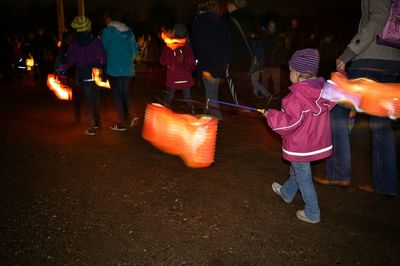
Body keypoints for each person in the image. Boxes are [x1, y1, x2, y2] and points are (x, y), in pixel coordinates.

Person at [313, 0, 400, 197]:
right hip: (394, 60)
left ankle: (338, 173)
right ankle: (385, 185)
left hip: (370, 60)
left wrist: (349, 53)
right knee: (382, 122)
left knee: (337, 110)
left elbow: (378, 18)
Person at [264, 48, 335, 223]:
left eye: (290, 70)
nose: (289, 74)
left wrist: (271, 115)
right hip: (315, 142)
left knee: (304, 177)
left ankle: (312, 212)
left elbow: (290, 123)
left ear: (297, 74)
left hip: (300, 145)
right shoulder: (324, 91)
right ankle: (287, 192)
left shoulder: (294, 99)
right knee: (298, 170)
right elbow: (332, 102)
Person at [62, 16, 106, 136]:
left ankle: (91, 127)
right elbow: (103, 58)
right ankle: (97, 122)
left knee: (87, 101)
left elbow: (69, 61)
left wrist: (62, 68)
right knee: (96, 98)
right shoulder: (96, 42)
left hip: (84, 76)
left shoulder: (74, 45)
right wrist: (100, 67)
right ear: (89, 28)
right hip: (96, 74)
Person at [191, 0, 231, 120]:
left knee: (211, 95)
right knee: (211, 93)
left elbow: (195, 44)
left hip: (206, 65)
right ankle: (207, 119)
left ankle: (216, 120)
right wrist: (225, 65)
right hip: (219, 65)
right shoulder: (223, 22)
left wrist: (197, 63)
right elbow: (228, 45)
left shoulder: (199, 21)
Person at [101, 11, 139, 131]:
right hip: (128, 68)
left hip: (114, 68)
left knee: (117, 94)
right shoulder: (130, 32)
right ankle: (133, 115)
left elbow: (103, 48)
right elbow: (135, 52)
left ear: (109, 19)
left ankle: (121, 122)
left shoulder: (107, 32)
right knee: (125, 92)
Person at [226, 0, 257, 107]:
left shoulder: (230, 21)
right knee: (246, 84)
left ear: (231, 5)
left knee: (235, 85)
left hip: (235, 58)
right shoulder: (248, 18)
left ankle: (240, 108)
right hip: (247, 58)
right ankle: (250, 106)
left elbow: (228, 42)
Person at [159, 24, 196, 114]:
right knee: (188, 99)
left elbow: (162, 61)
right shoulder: (187, 46)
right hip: (185, 78)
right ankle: (192, 115)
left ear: (174, 33)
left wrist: (169, 63)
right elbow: (192, 65)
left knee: (169, 98)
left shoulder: (168, 46)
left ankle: (164, 116)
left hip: (173, 78)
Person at [262, 19, 285, 100]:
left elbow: (280, 50)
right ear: (268, 27)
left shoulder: (278, 38)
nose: (271, 28)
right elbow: (263, 49)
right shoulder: (265, 37)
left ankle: (276, 94)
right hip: (266, 63)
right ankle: (265, 93)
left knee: (276, 81)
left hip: (275, 64)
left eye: (273, 27)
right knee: (264, 80)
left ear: (275, 28)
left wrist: (277, 59)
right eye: (270, 26)